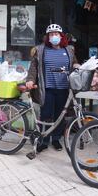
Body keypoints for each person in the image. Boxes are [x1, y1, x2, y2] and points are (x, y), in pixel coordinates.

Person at [26, 23, 80, 152]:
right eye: (51, 34)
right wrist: (30, 80)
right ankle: (44, 140)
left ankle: (56, 140)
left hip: (63, 89)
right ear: (47, 37)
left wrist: (78, 66)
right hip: (47, 89)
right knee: (46, 115)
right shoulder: (40, 50)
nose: (54, 36)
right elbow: (34, 67)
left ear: (61, 36)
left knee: (60, 116)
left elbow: (74, 64)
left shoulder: (69, 50)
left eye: (56, 34)